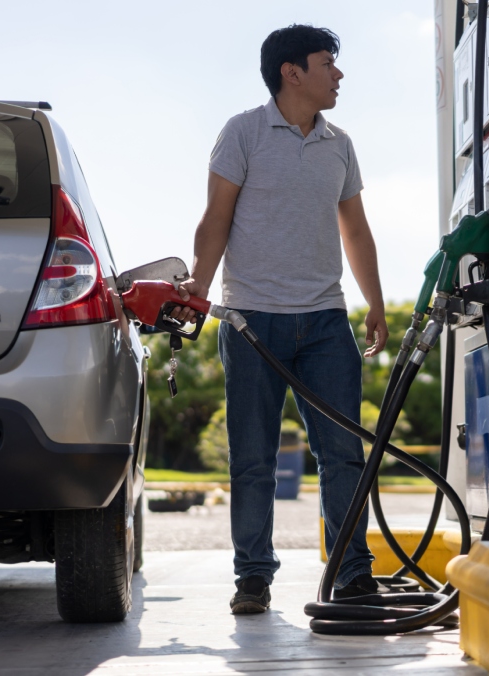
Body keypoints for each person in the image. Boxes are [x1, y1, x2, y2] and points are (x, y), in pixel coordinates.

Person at [173, 24, 388, 615]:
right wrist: (198, 281)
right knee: (252, 458)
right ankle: (252, 578)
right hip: (250, 322)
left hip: (324, 321)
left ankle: (352, 573)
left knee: (343, 453)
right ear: (292, 72)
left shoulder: (339, 143)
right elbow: (216, 217)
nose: (338, 75)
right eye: (328, 64)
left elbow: (355, 228)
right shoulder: (242, 132)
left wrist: (373, 300)